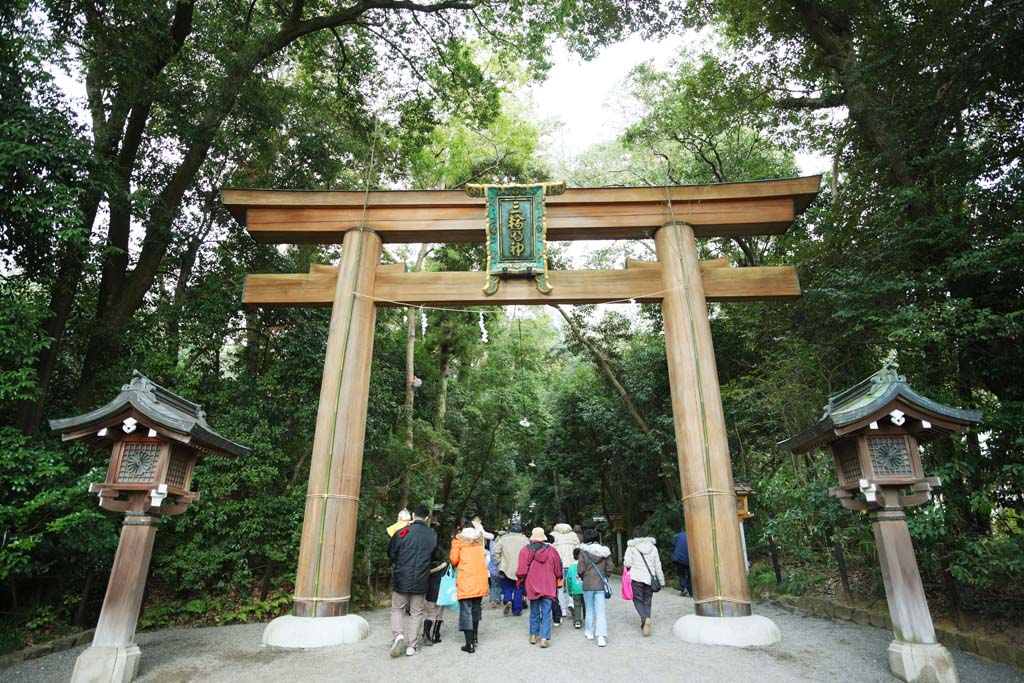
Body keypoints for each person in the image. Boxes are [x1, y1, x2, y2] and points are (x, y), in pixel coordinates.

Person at [386, 504, 437, 657]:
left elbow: (391, 553)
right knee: (416, 612)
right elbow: (435, 556)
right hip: (421, 579)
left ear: (414, 515)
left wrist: (400, 563)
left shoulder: (402, 532)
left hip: (402, 576)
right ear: (427, 518)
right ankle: (412, 646)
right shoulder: (432, 535)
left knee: (397, 609)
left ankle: (398, 636)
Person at [517, 527, 562, 648]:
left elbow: (521, 570)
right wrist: (558, 577)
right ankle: (544, 638)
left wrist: (520, 579)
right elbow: (558, 568)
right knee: (547, 611)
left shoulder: (525, 550)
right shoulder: (552, 550)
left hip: (532, 583)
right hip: (548, 583)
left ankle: (533, 635)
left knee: (534, 610)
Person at [450, 521, 489, 653]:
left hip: (466, 579)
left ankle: (469, 644)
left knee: (466, 610)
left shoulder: (458, 542)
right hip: (479, 578)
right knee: (476, 608)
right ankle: (475, 637)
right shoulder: (479, 541)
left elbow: (454, 561)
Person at [623, 525, 666, 637]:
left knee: (637, 600)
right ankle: (646, 620)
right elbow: (658, 565)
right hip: (650, 579)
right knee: (647, 600)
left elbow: (627, 563)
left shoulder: (631, 547)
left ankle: (644, 618)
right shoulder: (653, 548)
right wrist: (661, 580)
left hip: (636, 578)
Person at [577, 528, 613, 647]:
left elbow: (580, 570)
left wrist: (583, 576)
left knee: (589, 609)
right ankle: (601, 636)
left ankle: (589, 632)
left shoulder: (583, 552)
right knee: (601, 611)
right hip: (600, 585)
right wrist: (605, 576)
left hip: (587, 584)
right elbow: (610, 568)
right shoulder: (605, 552)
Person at [491, 523, 529, 616]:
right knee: (518, 589)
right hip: (520, 569)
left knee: (507, 587)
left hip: (506, 568)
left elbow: (496, 551)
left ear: (511, 531)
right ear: (521, 532)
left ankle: (507, 600)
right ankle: (516, 610)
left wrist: (500, 562)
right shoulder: (525, 540)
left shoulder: (504, 539)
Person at [550, 523, 579, 622]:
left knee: (560, 588)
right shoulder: (573, 535)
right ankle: (572, 603)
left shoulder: (553, 535)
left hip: (559, 564)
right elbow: (578, 549)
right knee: (573, 585)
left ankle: (563, 610)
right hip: (573, 564)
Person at [422, 544, 448, 646]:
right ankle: (436, 635)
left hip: (430, 593)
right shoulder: (445, 566)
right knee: (439, 614)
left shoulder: (427, 566)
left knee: (430, 614)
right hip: (442, 593)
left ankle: (426, 633)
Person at [566, 548, 585, 629]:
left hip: (575, 590)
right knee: (586, 605)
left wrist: (570, 590)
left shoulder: (571, 567)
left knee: (577, 605)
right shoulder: (585, 566)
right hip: (585, 588)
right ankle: (587, 619)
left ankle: (577, 621)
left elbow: (569, 580)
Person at [672, 529, 691, 596]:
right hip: (688, 558)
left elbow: (674, 544)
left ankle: (684, 589)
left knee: (681, 574)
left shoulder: (679, 535)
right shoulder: (692, 535)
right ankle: (690, 590)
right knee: (690, 575)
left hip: (678, 558)